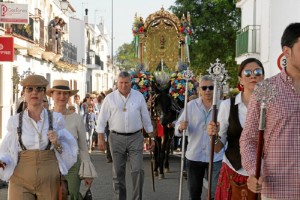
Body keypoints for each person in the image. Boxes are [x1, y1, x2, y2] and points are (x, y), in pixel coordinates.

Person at [240, 23, 300, 199]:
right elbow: (248, 138)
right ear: (287, 51)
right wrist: (254, 170)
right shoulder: (265, 90)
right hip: (278, 189)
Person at [0, 75, 78, 200]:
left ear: (44, 94)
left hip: (49, 178)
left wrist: (57, 142)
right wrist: (2, 162)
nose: (34, 92)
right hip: (21, 177)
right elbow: (7, 151)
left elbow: (70, 150)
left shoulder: (56, 119)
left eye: (39, 89)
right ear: (24, 93)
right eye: (29, 89)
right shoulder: (15, 121)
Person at [207, 58, 265, 199]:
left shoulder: (271, 104)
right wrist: (213, 137)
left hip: (263, 176)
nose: (253, 76)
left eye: (258, 72)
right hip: (234, 171)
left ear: (263, 77)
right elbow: (217, 148)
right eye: (247, 73)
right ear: (240, 79)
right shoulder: (228, 106)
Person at [96, 71, 154, 200]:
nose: (123, 85)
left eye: (126, 82)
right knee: (118, 172)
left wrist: (151, 137)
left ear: (131, 83)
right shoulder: (109, 98)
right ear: (117, 83)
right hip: (116, 138)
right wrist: (100, 138)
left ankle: (137, 198)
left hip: (136, 137)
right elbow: (101, 120)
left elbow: (146, 118)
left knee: (138, 170)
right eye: (121, 83)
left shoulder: (138, 97)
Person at [175, 75, 224, 200]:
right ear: (199, 90)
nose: (207, 90)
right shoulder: (191, 106)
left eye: (211, 87)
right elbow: (177, 130)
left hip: (216, 157)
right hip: (194, 156)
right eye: (204, 87)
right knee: (194, 193)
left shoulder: (223, 106)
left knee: (215, 193)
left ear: (216, 89)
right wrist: (181, 127)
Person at [46, 79, 97, 199]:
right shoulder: (46, 117)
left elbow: (83, 147)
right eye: (58, 93)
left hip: (73, 165)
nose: (62, 96)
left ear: (69, 96)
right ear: (52, 95)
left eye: (65, 93)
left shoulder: (77, 118)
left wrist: (87, 172)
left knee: (72, 195)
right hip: (50, 164)